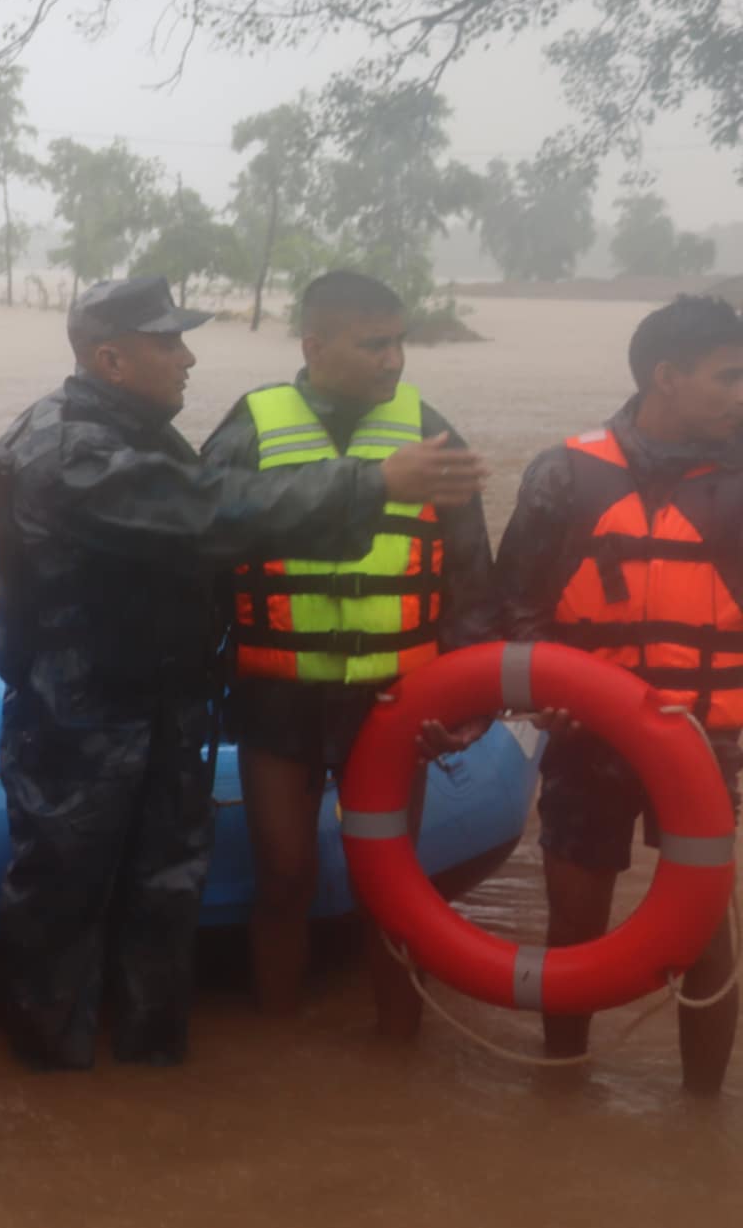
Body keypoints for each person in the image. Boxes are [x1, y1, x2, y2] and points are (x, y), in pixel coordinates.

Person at [0, 275, 487, 1071]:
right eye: (168, 342)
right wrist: (376, 482)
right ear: (112, 358)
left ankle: (154, 1060)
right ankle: (57, 1077)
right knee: (63, 890)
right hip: (82, 713)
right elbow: (209, 511)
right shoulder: (68, 446)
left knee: (167, 885)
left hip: (174, 706)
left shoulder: (144, 429)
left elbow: (464, 572)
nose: (187, 357)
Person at [202, 270, 494, 1036]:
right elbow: (202, 535)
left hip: (394, 699)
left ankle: (398, 1047)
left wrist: (465, 699)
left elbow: (470, 575)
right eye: (374, 344)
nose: (393, 359)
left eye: (399, 342)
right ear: (315, 344)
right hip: (278, 694)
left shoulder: (431, 432)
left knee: (391, 883)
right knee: (285, 875)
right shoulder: (251, 425)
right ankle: (282, 1052)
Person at [493, 294, 743, 1093]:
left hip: (707, 739)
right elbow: (516, 608)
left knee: (703, 930)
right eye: (729, 377)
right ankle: (560, 1088)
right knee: (574, 917)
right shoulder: (563, 473)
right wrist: (545, 690)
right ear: (666, 377)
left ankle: (700, 1113)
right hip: (588, 736)